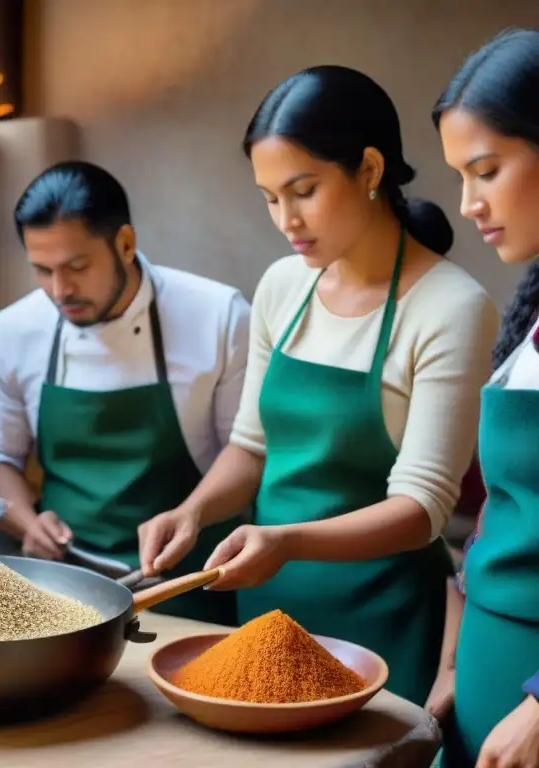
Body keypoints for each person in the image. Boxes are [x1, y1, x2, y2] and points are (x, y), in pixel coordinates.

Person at [137, 65, 500, 705]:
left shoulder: (451, 307)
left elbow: (420, 511)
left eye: (303, 190)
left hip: (383, 629)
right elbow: (251, 447)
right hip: (268, 625)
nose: (286, 219)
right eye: (270, 197)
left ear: (367, 170)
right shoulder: (284, 285)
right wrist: (192, 512)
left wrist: (286, 541)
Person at [0, 161, 251, 624]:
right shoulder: (15, 329)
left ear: (125, 244)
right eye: (42, 270)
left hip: (189, 582)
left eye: (77, 267)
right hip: (64, 590)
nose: (60, 290)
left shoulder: (218, 315)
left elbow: (246, 453)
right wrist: (25, 520)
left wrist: (191, 514)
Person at [428, 28, 539, 768]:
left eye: (487, 170)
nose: (467, 204)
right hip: (486, 684)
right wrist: (454, 661)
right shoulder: (530, 315)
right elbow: (495, 514)